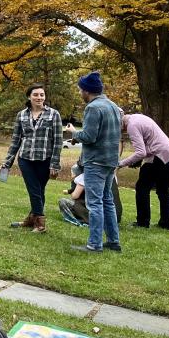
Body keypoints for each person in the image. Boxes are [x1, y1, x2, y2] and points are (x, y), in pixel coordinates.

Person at [64, 71, 123, 252]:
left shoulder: (93, 108)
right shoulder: (113, 106)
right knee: (107, 201)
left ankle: (94, 244)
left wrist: (73, 133)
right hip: (110, 161)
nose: (80, 93)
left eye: (81, 90)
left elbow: (89, 136)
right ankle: (113, 241)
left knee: (94, 203)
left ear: (87, 91)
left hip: (96, 162)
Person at [2, 84, 64, 234]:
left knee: (39, 190)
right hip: (25, 158)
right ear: (29, 97)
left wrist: (55, 163)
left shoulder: (53, 114)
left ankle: (31, 219)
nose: (39, 97)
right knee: (34, 189)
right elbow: (16, 140)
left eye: (42, 95)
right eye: (36, 95)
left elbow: (58, 140)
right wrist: (7, 162)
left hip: (45, 159)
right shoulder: (21, 115)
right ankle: (40, 222)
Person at [119, 113, 169, 230]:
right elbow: (148, 143)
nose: (121, 131)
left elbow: (141, 152)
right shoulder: (137, 117)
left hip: (158, 154)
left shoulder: (131, 125)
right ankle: (165, 224)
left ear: (121, 123)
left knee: (142, 187)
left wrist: (121, 163)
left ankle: (143, 222)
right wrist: (138, 161)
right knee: (163, 190)